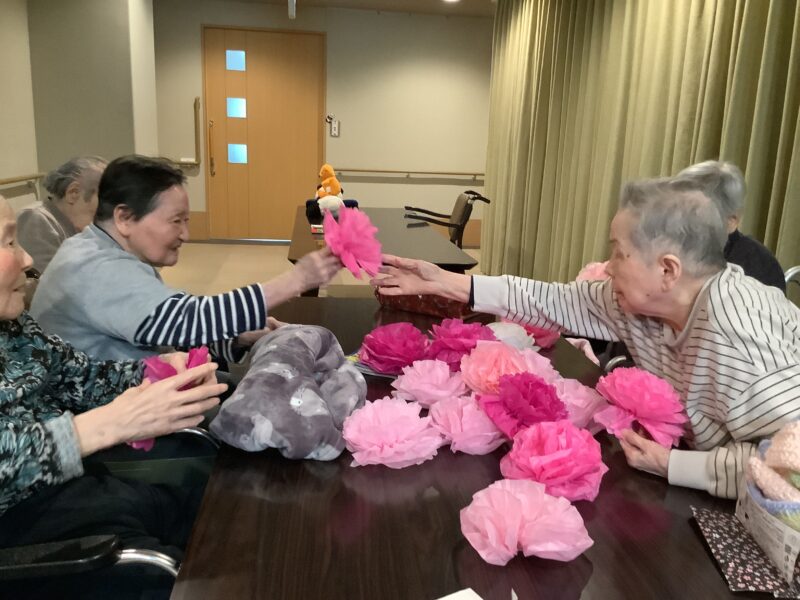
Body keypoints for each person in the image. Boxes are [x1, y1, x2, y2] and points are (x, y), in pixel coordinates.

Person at [372, 177, 800, 499]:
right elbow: (551, 300)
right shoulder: (647, 300)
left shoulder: (738, 338)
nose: (607, 267)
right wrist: (445, 282)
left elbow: (790, 468)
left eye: (618, 251)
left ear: (668, 269)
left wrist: (677, 465)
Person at [0, 193, 227, 568]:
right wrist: (103, 425)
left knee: (218, 507)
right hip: (23, 529)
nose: (26, 259)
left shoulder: (12, 325)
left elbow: (78, 376)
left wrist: (154, 371)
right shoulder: (92, 264)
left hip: (75, 484)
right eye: (9, 242)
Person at [30, 155, 341, 363]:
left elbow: (166, 330)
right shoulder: (94, 267)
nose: (185, 235)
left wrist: (238, 338)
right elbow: (187, 320)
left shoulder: (103, 251)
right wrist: (296, 280)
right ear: (124, 218)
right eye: (176, 221)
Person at [676, 160, 786, 292]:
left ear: (730, 221)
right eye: (676, 207)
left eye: (693, 212)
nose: (678, 218)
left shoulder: (755, 268)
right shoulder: (669, 242)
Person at [17, 156, 107, 274]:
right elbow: (47, 279)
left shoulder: (80, 224)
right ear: (73, 192)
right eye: (106, 196)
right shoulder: (35, 218)